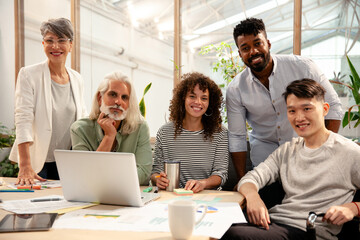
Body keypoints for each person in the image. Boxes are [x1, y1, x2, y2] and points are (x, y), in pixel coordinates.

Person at [221, 79, 360, 240]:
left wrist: (354, 208)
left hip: (308, 231)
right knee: (216, 226)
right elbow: (251, 178)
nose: (299, 117)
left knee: (235, 235)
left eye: (307, 108)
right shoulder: (287, 150)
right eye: (292, 111)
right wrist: (253, 197)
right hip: (274, 223)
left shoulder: (349, 151)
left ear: (325, 109)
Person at [227, 18, 343, 180]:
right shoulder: (235, 89)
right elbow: (237, 136)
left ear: (268, 43)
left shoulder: (303, 67)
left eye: (257, 43)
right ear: (240, 54)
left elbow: (333, 106)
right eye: (245, 48)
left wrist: (322, 150)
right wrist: (242, 180)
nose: (253, 51)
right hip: (264, 166)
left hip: (307, 158)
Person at [9, 18, 87, 185]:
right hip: (36, 161)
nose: (55, 46)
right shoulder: (29, 75)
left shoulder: (77, 78)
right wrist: (24, 165)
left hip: (67, 161)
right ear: (43, 44)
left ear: (71, 45)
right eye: (50, 41)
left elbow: (83, 119)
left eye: (61, 40)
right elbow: (23, 119)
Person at [151, 72, 229, 193]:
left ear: (210, 103)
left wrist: (202, 183)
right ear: (183, 98)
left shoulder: (220, 133)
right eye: (192, 96)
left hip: (207, 197)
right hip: (172, 197)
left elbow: (220, 175)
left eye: (204, 98)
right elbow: (155, 172)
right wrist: (157, 180)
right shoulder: (164, 132)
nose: (198, 102)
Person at [70, 71, 152, 185]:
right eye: (113, 94)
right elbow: (86, 175)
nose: (118, 102)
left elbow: (143, 174)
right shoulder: (79, 129)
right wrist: (109, 136)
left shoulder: (140, 127)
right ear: (100, 98)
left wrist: (105, 179)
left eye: (124, 97)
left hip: (128, 196)